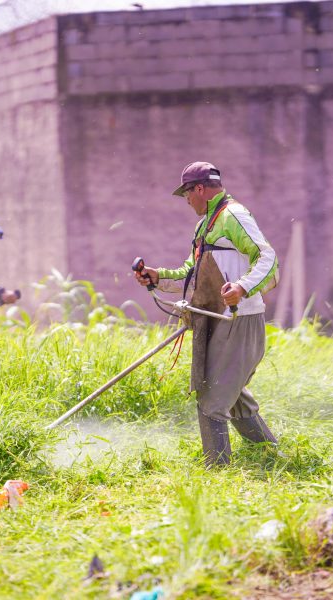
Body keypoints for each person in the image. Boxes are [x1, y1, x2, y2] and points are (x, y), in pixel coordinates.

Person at [135, 162, 279, 467]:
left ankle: (217, 472)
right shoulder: (206, 224)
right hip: (215, 318)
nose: (186, 201)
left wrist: (242, 287)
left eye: (187, 193)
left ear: (199, 189)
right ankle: (270, 453)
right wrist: (157, 276)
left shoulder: (233, 216)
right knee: (233, 393)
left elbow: (267, 256)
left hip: (238, 319)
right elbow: (191, 273)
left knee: (212, 400)